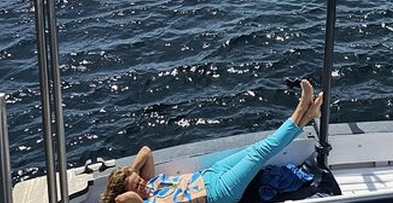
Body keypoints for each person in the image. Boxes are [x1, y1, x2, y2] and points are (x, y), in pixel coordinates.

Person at [100, 80, 324, 203]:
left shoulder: (149, 184)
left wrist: (131, 173)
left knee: (255, 148)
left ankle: (309, 115)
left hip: (210, 174)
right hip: (218, 194)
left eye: (138, 179)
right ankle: (301, 108)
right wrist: (122, 190)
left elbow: (146, 151)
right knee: (261, 153)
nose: (141, 183)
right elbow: (125, 197)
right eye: (136, 185)